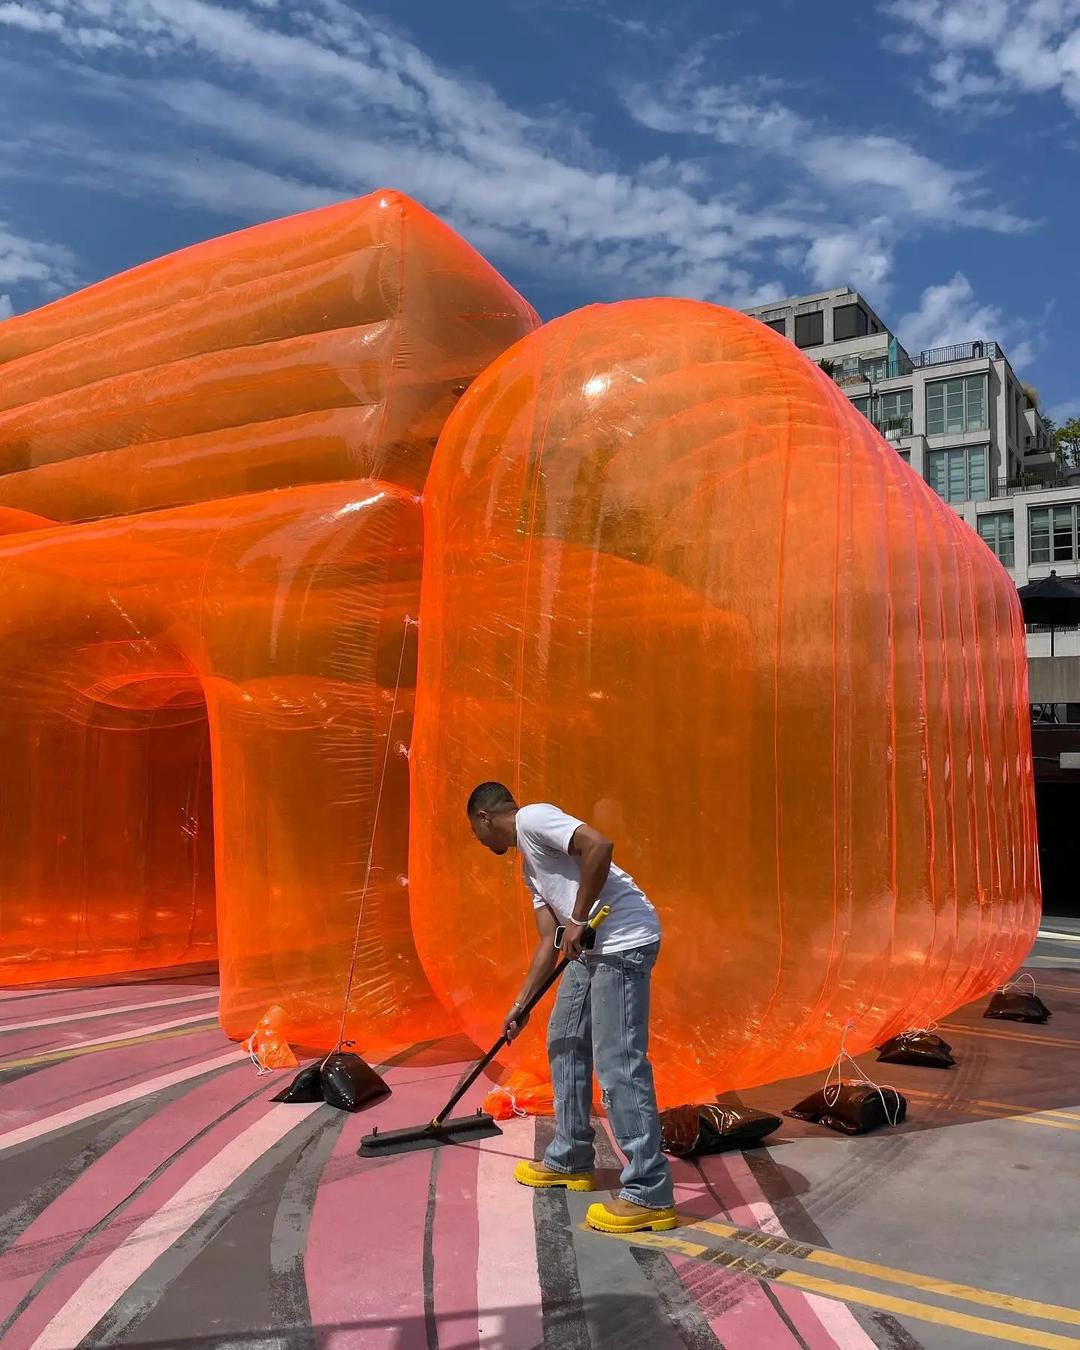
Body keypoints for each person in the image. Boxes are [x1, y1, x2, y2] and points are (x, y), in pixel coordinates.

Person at [467, 781, 676, 1234]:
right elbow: (550, 940)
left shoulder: (534, 818)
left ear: (484, 817)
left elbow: (599, 845)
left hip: (623, 944)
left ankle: (649, 1192)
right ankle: (571, 1157)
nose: (479, 844)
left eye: (474, 833)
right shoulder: (530, 870)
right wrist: (520, 1005)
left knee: (619, 1062)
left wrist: (579, 918)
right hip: (589, 951)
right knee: (563, 1039)